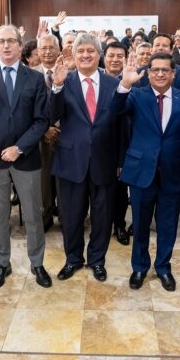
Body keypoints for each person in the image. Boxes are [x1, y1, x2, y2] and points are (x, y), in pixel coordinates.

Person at [0, 24, 51, 290]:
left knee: (33, 214)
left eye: (11, 41)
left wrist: (20, 147)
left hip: (26, 157)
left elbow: (41, 121)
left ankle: (37, 263)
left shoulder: (35, 78)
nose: (6, 45)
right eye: (1, 41)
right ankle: (2, 264)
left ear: (20, 44)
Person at [113, 52, 180, 292]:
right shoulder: (136, 96)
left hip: (173, 174)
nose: (160, 74)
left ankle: (163, 267)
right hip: (141, 172)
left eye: (165, 70)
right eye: (155, 70)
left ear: (174, 73)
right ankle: (139, 267)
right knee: (140, 224)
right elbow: (115, 111)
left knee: (167, 225)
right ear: (148, 73)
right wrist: (124, 84)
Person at [50, 33, 122, 282]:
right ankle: (73, 259)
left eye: (91, 51)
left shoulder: (113, 84)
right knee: (71, 216)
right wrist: (56, 88)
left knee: (102, 216)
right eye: (80, 51)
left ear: (99, 55)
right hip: (71, 161)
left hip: (104, 160)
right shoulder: (64, 80)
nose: (86, 55)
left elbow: (121, 126)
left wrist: (120, 161)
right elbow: (51, 115)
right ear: (74, 55)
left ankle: (97, 260)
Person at [102, 42, 132, 245]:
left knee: (120, 190)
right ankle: (101, 225)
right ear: (104, 57)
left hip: (123, 144)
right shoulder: (96, 79)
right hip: (97, 146)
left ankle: (119, 224)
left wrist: (122, 157)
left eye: (119, 56)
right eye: (111, 55)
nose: (114, 59)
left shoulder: (134, 81)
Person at [34, 34, 63, 231]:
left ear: (58, 49)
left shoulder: (69, 72)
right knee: (43, 181)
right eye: (43, 48)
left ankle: (65, 216)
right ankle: (45, 217)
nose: (47, 51)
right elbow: (25, 107)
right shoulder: (30, 74)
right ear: (38, 51)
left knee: (63, 180)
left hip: (65, 134)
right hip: (39, 136)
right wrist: (44, 129)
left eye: (51, 47)